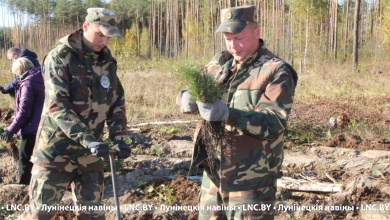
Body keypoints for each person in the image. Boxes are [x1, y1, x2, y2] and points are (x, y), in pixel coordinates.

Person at [177, 5, 298, 220]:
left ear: (256, 32)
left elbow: (274, 122)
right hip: (213, 175)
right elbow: (194, 88)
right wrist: (185, 97)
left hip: (251, 181)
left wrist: (227, 114)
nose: (234, 46)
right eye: (228, 39)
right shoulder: (219, 63)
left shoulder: (276, 71)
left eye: (239, 38)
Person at [18, 7, 131, 219]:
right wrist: (88, 139)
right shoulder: (60, 57)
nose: (104, 42)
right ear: (86, 26)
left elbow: (116, 103)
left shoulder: (106, 62)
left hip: (90, 156)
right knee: (39, 214)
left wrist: (120, 138)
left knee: (93, 215)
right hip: (55, 154)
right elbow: (57, 105)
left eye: (108, 37)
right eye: (100, 34)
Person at [0, 58, 44, 185]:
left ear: (19, 71)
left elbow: (24, 111)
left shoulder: (28, 83)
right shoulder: (40, 77)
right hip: (43, 126)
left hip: (31, 129)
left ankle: (23, 190)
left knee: (24, 160)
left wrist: (10, 130)